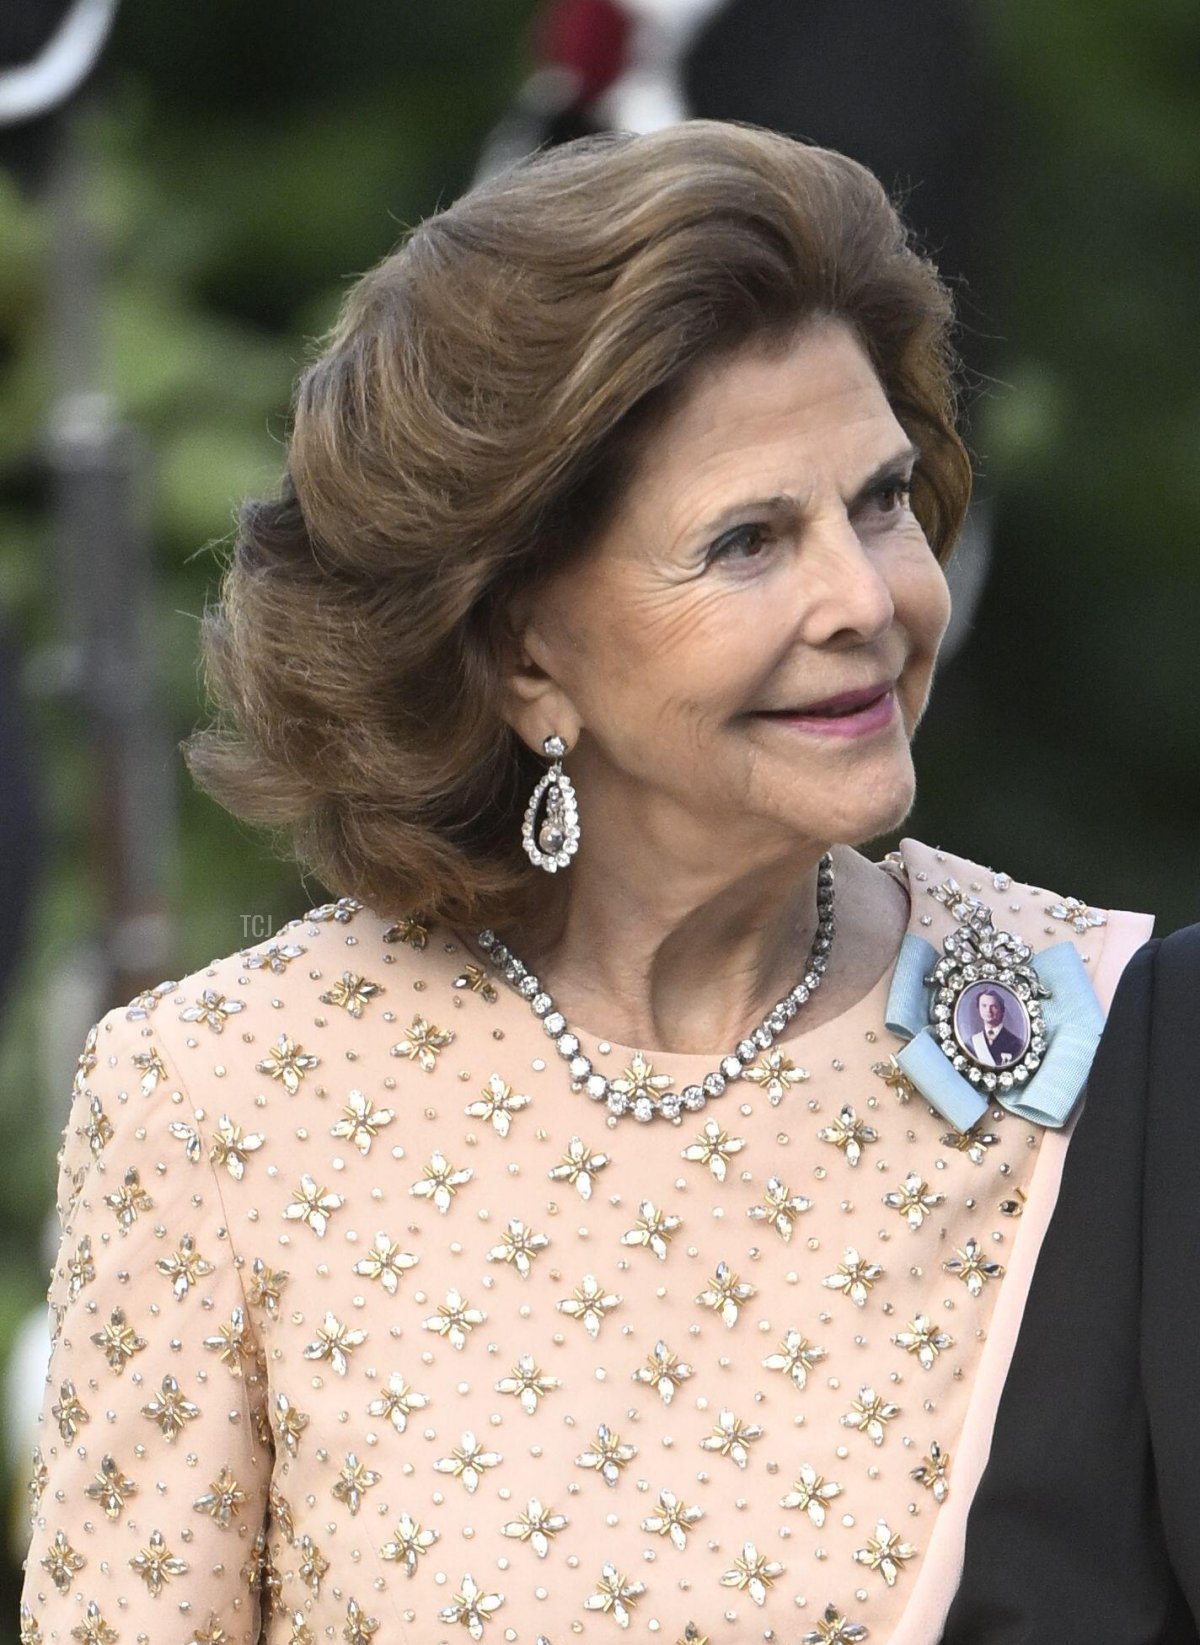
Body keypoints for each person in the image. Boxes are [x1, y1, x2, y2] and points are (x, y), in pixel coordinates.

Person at [17, 123, 1174, 1645]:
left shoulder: (1128, 1043)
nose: (870, 601)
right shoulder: (220, 1098)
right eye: (750, 540)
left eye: (880, 502)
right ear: (517, 650)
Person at [967, 989, 1024, 1068]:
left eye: (993, 1006)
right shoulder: (971, 1043)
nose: (988, 1011)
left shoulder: (1017, 1044)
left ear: (1002, 1010)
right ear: (978, 1008)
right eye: (984, 1006)